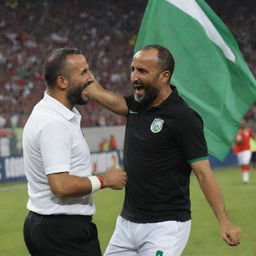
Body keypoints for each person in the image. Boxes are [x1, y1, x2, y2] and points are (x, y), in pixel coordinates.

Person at [86, 45, 241, 256]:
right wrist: (83, 73)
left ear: (164, 76)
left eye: (142, 71)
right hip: (127, 223)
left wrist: (224, 221)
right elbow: (108, 98)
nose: (134, 76)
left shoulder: (183, 117)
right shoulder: (137, 106)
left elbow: (203, 173)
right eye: (133, 69)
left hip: (165, 226)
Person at [22, 48, 127, 256]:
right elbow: (60, 185)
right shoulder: (54, 123)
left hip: (49, 226)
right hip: (62, 231)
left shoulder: (50, 111)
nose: (91, 79)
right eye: (84, 72)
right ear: (62, 82)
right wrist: (105, 180)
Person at [233, 119, 255, 183]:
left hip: (247, 150)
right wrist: (238, 140)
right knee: (242, 164)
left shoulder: (248, 130)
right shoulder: (238, 132)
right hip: (239, 151)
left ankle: (245, 178)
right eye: (241, 123)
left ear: (245, 124)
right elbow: (237, 142)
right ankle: (245, 174)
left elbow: (253, 137)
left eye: (243, 123)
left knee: (245, 163)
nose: (242, 124)